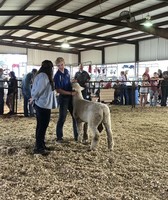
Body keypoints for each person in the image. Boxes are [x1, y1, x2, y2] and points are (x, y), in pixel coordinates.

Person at [31, 60, 57, 155]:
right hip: (42, 104)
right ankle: (39, 147)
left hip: (43, 104)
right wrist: (33, 97)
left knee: (41, 125)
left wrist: (34, 97)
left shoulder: (41, 75)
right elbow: (39, 90)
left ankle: (41, 144)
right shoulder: (44, 76)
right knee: (42, 126)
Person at [54, 57, 78, 142]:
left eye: (62, 64)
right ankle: (59, 137)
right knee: (62, 117)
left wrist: (73, 82)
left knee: (75, 116)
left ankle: (77, 136)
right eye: (59, 65)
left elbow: (68, 82)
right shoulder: (57, 76)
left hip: (70, 97)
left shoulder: (67, 72)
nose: (61, 66)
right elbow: (58, 90)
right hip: (64, 98)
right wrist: (70, 93)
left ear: (64, 63)